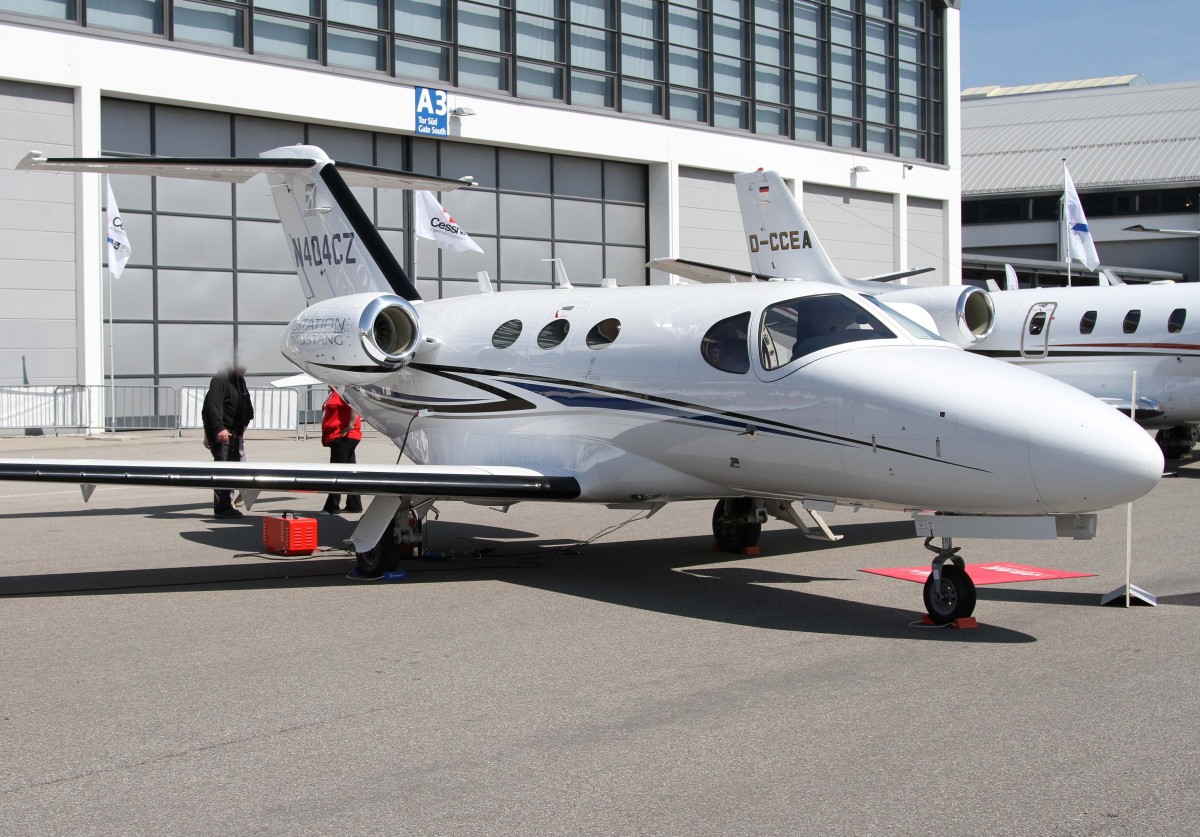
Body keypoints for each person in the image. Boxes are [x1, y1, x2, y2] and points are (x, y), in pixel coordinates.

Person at [202, 363, 254, 519]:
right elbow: (212, 406)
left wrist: (246, 420)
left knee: (233, 469)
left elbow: (245, 402)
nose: (244, 370)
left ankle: (228, 502)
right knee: (223, 469)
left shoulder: (240, 380)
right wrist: (219, 428)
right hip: (224, 432)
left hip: (235, 432)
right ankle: (222, 507)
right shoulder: (220, 379)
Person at [320, 387, 363, 515]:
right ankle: (354, 505)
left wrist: (350, 425)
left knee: (336, 472)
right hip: (338, 436)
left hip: (344, 437)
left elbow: (355, 406)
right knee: (350, 472)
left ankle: (331, 506)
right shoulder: (334, 393)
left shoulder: (343, 391)